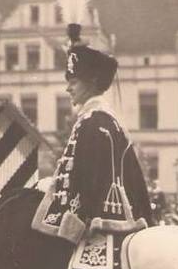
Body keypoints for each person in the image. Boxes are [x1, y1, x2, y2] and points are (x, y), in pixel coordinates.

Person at [32, 42, 152, 244]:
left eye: (74, 81)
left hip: (99, 220)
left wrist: (72, 226)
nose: (68, 88)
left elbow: (88, 179)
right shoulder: (101, 119)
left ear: (92, 82)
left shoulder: (93, 121)